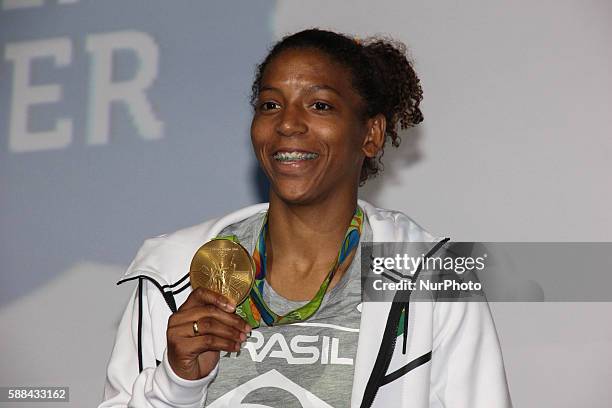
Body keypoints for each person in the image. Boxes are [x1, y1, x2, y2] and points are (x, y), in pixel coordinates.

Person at [99, 28, 511, 407]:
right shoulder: (178, 270)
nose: (288, 124)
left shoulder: (430, 275)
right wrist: (178, 382)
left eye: (319, 105)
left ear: (371, 135)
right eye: (270, 104)